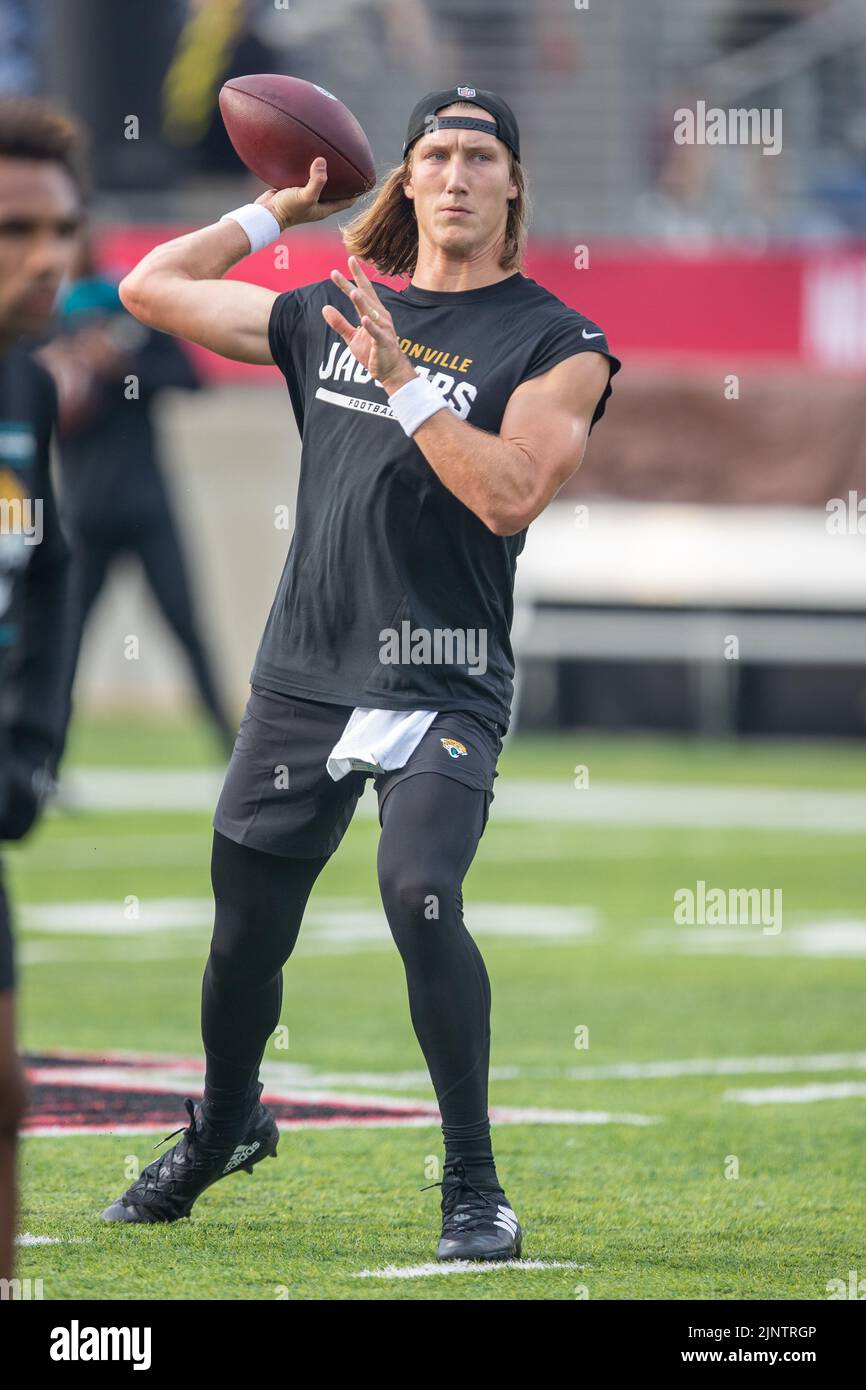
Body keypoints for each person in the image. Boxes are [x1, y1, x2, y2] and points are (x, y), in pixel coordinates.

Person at [101, 87, 621, 1262]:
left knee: (417, 890)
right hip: (305, 671)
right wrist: (271, 208)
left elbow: (505, 493)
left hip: (440, 674)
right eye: (431, 152)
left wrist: (402, 376)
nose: (452, 172)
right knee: (243, 943)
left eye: (478, 154)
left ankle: (473, 1186)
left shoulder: (557, 342)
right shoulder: (337, 306)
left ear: (510, 186)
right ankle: (227, 1121)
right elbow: (150, 290)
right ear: (405, 178)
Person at [37, 239, 236, 764]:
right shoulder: (49, 327)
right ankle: (44, 759)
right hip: (83, 511)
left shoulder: (132, 320)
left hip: (147, 505)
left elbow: (193, 379)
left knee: (186, 626)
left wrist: (120, 367)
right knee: (66, 639)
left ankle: (234, 755)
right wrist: (65, 375)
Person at [0, 95, 84, 1280]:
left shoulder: (23, 393)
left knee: (5, 1089)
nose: (46, 258)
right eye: (14, 229)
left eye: (61, 230)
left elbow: (52, 566)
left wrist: (32, 747)